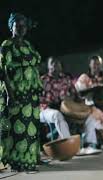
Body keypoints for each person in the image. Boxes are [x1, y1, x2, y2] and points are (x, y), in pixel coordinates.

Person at [0, 13, 42, 173]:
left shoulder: (28, 45)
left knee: (29, 126)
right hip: (15, 93)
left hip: (31, 94)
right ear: (11, 26)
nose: (22, 28)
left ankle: (29, 159)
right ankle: (15, 162)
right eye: (18, 25)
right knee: (15, 128)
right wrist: (10, 95)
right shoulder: (7, 45)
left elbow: (34, 65)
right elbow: (3, 72)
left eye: (24, 25)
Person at [40, 57, 103, 155]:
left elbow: (76, 96)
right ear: (48, 66)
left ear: (61, 67)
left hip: (65, 109)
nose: (55, 66)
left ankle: (89, 145)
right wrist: (56, 103)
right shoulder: (43, 80)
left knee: (89, 116)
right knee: (57, 115)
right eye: (52, 63)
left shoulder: (66, 79)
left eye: (57, 63)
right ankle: (70, 147)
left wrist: (80, 105)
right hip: (47, 109)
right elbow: (40, 100)